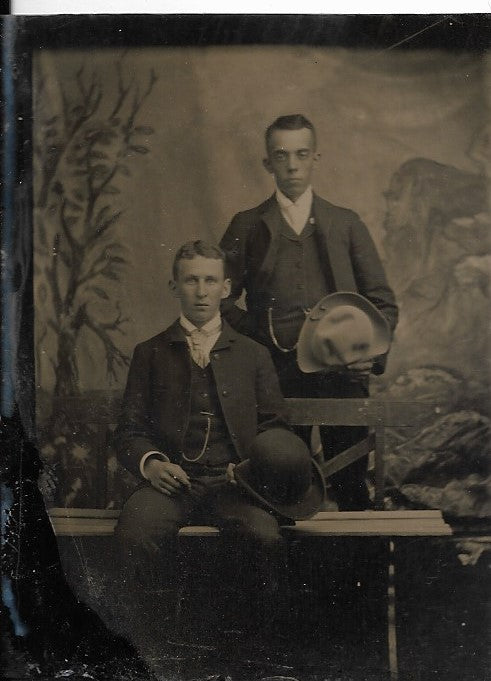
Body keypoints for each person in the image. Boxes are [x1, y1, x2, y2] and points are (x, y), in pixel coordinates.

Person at [113, 239, 323, 635]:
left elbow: (276, 426)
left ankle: (250, 652)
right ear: (174, 287)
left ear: (226, 288)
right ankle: (154, 651)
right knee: (135, 532)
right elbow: (129, 429)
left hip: (236, 487)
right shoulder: (151, 353)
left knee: (262, 537)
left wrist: (248, 469)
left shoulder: (253, 354)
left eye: (211, 280)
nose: (201, 290)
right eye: (191, 280)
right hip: (172, 486)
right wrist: (152, 463)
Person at [220, 114, 398, 510]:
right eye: (281, 156)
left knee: (352, 487)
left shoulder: (345, 223)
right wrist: (257, 340)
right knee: (280, 489)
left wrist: (368, 356)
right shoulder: (247, 224)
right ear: (268, 163)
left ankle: (357, 574)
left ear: (316, 157)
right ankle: (284, 573)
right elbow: (220, 297)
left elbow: (383, 301)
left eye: (302, 154)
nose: (292, 165)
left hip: (342, 378)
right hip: (273, 380)